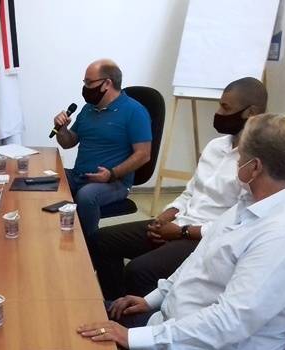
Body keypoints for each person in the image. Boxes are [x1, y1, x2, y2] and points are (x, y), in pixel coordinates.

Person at [77, 113, 285, 350]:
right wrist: (153, 299)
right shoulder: (257, 198)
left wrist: (132, 337)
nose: (236, 163)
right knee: (78, 322)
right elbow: (201, 260)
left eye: (240, 157)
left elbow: (228, 322)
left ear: (255, 167)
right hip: (178, 328)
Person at [93, 77, 268, 301]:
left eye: (225, 108)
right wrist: (165, 217)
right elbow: (190, 193)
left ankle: (140, 316)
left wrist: (182, 232)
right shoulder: (215, 146)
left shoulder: (256, 164)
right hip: (179, 224)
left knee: (138, 271)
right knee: (102, 240)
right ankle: (116, 305)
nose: (218, 113)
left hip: (204, 239)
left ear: (251, 113)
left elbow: (237, 225)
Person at [54, 59, 152, 238]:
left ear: (107, 83)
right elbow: (68, 143)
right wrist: (62, 130)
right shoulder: (88, 109)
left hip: (114, 182)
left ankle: (90, 246)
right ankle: (52, 235)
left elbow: (144, 154)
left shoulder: (135, 111)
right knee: (49, 180)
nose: (85, 87)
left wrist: (112, 174)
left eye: (89, 82)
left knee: (86, 196)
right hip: (79, 175)